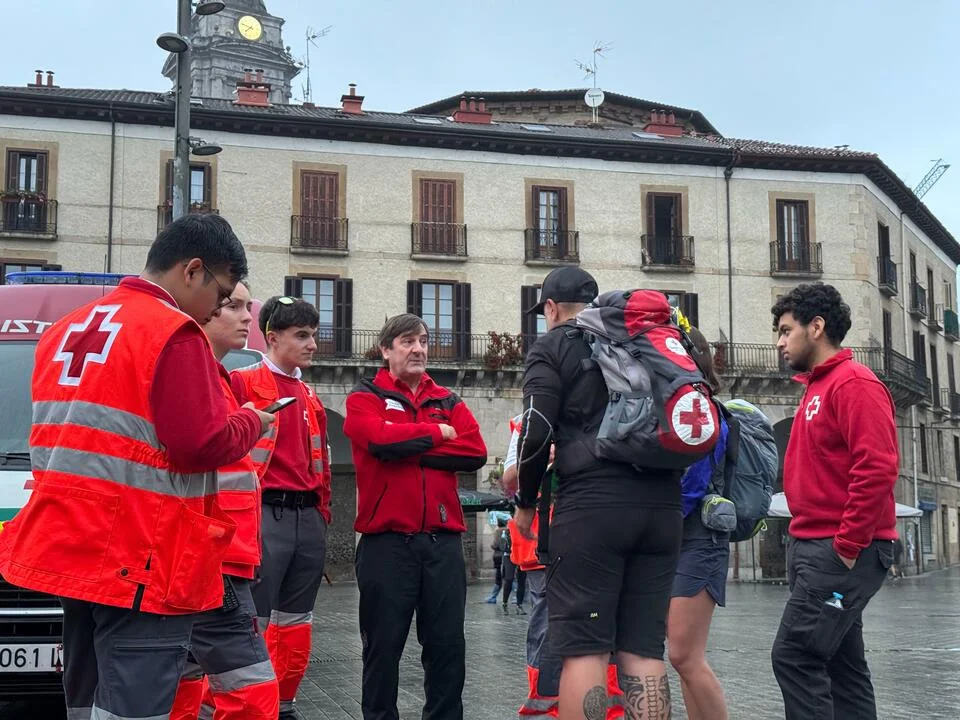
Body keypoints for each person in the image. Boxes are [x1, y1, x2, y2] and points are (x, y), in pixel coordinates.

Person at [0, 214, 274, 719]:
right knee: (135, 706)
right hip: (141, 555)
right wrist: (250, 422)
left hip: (71, 548)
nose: (219, 307)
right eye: (222, 293)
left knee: (87, 700)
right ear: (192, 270)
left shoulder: (65, 329)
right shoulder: (175, 333)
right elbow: (202, 443)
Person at [515, 266, 680, 720]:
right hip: (662, 507)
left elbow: (536, 431)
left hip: (593, 508)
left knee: (584, 649)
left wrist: (526, 504)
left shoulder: (553, 345)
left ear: (551, 308)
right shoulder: (644, 342)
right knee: (643, 649)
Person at [344, 313, 488, 720]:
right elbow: (378, 440)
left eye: (423, 341)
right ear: (385, 350)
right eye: (407, 341)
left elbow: (475, 451)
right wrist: (437, 435)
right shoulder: (364, 397)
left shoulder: (447, 400)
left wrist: (407, 448)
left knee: (447, 650)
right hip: (386, 545)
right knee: (381, 651)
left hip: (443, 544)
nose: (419, 349)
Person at [770, 283, 897, 720]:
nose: (780, 342)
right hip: (818, 549)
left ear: (817, 327)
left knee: (795, 655)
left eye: (786, 330)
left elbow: (877, 467)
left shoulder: (854, 383)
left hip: (839, 554)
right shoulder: (818, 387)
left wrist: (846, 546)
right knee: (843, 666)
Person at [171, 281, 279, 719]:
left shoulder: (217, 381)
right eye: (233, 305)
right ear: (202, 306)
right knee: (251, 692)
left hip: (215, 555)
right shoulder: (202, 381)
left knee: (182, 681)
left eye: (248, 307)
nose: (247, 317)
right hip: (211, 559)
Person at [232, 295, 332, 720]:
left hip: (307, 517)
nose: (313, 344)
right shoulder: (241, 382)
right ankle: (241, 705)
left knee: (296, 620)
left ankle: (284, 703)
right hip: (263, 513)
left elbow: (321, 463)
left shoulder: (309, 394)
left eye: (314, 335)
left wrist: (321, 515)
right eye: (302, 335)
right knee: (250, 619)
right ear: (272, 338)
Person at [667, 325, 729, 720]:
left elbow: (692, 486)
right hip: (683, 539)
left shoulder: (701, 409)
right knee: (683, 658)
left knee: (685, 655)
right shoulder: (692, 406)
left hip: (699, 540)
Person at [488, 517, 508, 603]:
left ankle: (493, 597)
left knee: (499, 576)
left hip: (498, 556)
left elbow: (495, 544)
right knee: (508, 576)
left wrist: (492, 546)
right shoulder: (508, 530)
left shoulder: (498, 531)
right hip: (507, 556)